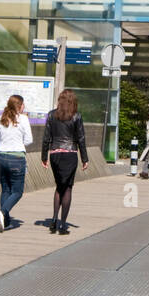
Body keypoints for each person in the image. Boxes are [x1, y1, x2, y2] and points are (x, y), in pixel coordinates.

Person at [41, 87, 88, 234]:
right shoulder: (76, 116)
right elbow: (81, 138)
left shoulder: (51, 115)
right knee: (67, 188)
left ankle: (53, 220)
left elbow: (46, 137)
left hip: (55, 153)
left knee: (58, 187)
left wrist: (44, 156)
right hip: (70, 154)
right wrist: (84, 158)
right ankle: (62, 225)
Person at [0, 93, 32, 232]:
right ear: (20, 106)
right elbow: (29, 140)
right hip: (17, 158)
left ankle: (6, 222)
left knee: (6, 189)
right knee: (17, 192)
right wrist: (18, 143)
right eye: (23, 105)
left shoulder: (0, 119)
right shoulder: (23, 119)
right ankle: (3, 211)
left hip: (1, 157)